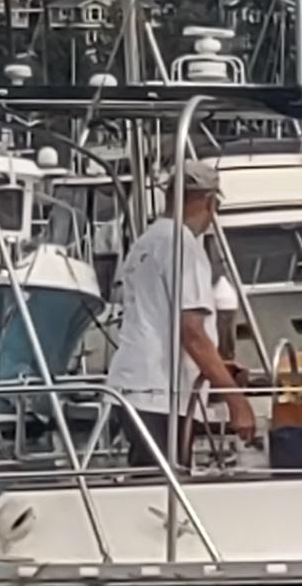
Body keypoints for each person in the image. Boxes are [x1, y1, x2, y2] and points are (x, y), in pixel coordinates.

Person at [103, 167, 257, 470]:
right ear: (209, 201)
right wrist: (237, 401)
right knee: (164, 491)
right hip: (161, 393)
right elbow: (192, 333)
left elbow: (160, 320)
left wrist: (217, 370)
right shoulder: (184, 246)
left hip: (136, 387)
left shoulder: (147, 242)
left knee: (149, 486)